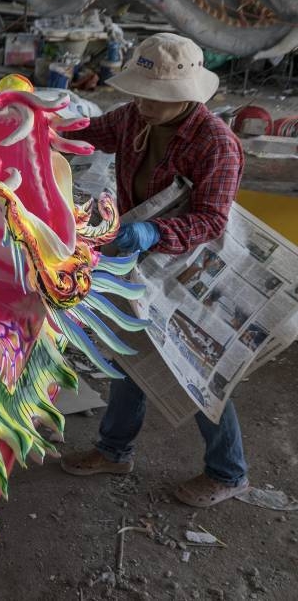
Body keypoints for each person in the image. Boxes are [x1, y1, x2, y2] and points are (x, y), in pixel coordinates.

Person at [59, 33, 248, 508]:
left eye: (157, 96)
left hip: (187, 261)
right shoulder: (134, 117)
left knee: (196, 371)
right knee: (130, 350)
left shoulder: (215, 143)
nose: (143, 102)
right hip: (139, 257)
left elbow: (211, 219)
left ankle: (228, 471)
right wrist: (38, 129)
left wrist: (152, 233)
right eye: (139, 90)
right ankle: (114, 449)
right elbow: (89, 134)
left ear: (188, 96)